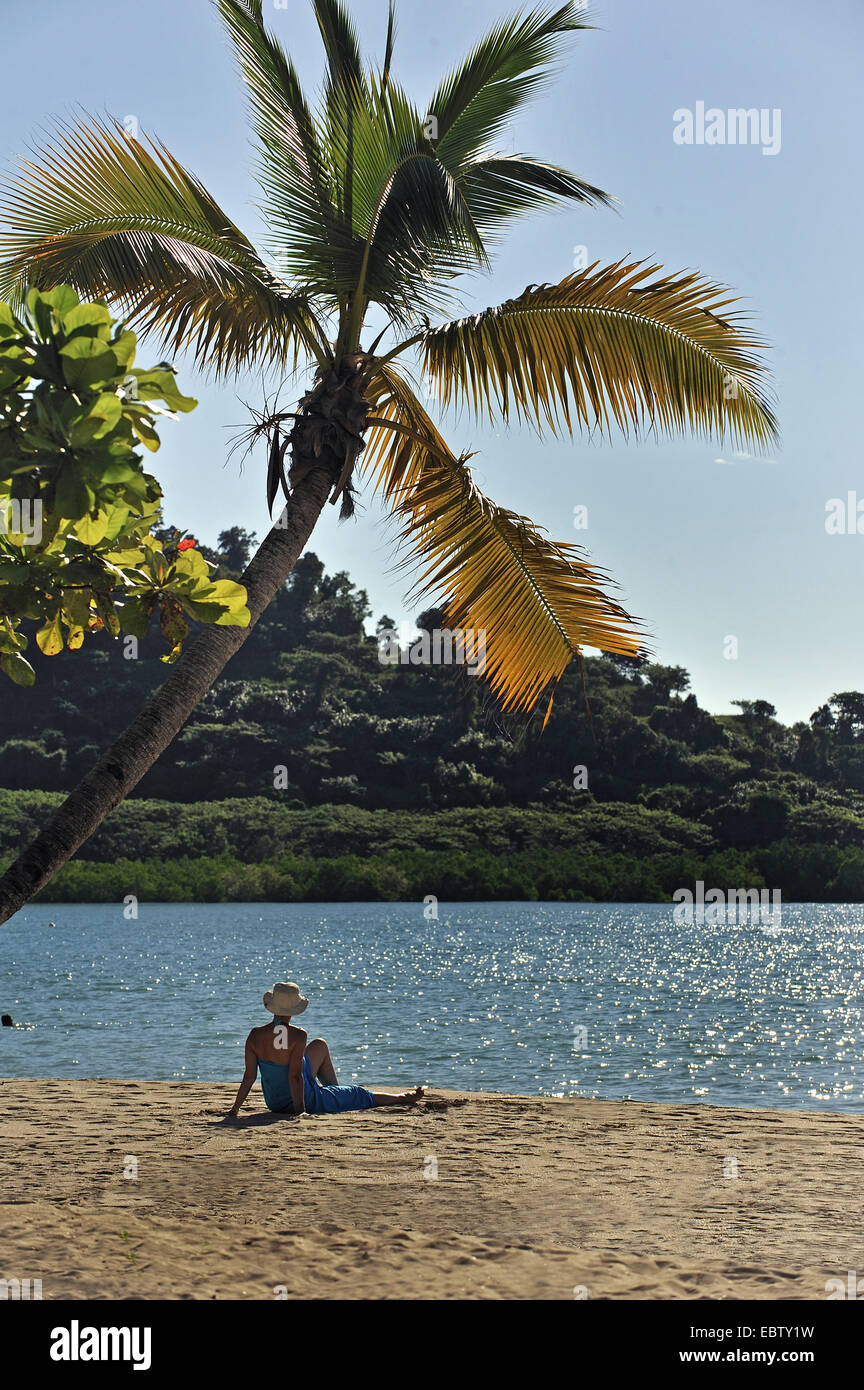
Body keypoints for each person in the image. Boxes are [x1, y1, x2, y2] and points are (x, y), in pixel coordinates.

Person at [227, 982, 423, 1119]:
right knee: (358, 1093)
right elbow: (295, 1077)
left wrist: (234, 1110)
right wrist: (300, 1112)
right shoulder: (297, 1036)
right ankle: (401, 1098)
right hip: (300, 1100)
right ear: (294, 1009)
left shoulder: (255, 1035)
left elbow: (249, 1077)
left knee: (319, 1045)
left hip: (275, 1102)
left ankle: (335, 1093)